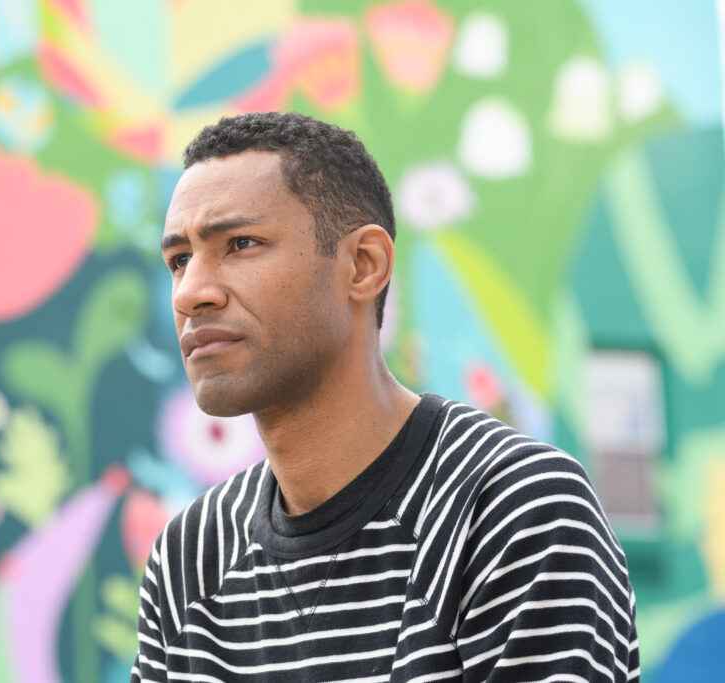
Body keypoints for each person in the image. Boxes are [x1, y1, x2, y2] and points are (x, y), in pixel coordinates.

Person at [132, 112, 639, 682]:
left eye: (240, 244)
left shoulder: (512, 511)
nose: (191, 293)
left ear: (364, 265)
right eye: (179, 260)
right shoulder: (189, 560)